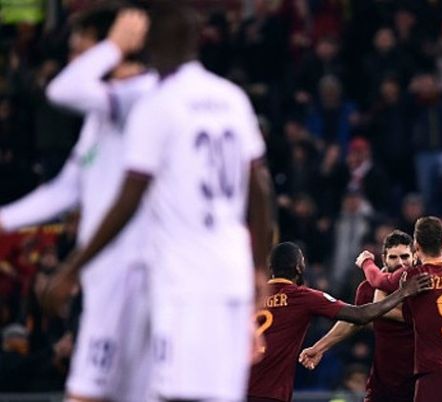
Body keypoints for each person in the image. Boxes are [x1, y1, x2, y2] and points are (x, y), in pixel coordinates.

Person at [46, 3, 275, 401]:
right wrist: (258, 267)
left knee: (174, 394)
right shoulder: (231, 97)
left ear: (152, 42)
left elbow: (129, 198)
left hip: (183, 280)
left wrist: (74, 267)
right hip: (231, 275)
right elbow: (260, 190)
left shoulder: (158, 105)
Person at [0, 5, 155, 401]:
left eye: (79, 50)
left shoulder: (144, 96)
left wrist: (113, 46)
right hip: (106, 273)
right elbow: (65, 189)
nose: (73, 61)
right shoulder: (103, 112)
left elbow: (61, 90)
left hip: (135, 273)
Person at [247, 242, 431, 402]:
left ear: (270, 269)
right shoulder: (301, 296)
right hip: (269, 393)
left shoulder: (249, 298)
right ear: (299, 267)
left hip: (238, 386)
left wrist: (319, 347)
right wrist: (403, 293)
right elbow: (359, 315)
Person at [357, 217, 442, 402]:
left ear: (416, 246)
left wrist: (366, 262)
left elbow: (378, 281)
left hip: (436, 377)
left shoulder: (415, 276)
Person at [298, 230, 417, 402]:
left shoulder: (421, 286)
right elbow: (354, 321)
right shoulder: (367, 289)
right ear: (384, 259)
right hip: (384, 381)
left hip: (419, 380)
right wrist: (319, 347)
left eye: (405, 257)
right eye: (393, 257)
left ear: (414, 257)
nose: (400, 263)